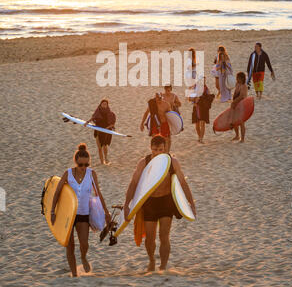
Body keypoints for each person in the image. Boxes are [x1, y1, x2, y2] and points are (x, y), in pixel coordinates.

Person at [123, 135, 196, 272]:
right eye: (155, 150)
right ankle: (151, 260)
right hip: (149, 203)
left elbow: (183, 183)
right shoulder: (143, 163)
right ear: (151, 148)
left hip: (166, 202)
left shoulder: (172, 162)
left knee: (164, 235)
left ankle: (163, 266)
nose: (158, 153)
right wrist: (127, 204)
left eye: (161, 150)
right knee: (150, 238)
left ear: (165, 148)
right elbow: (133, 183)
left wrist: (191, 203)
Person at [51, 143, 111, 277]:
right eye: (81, 165)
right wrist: (52, 211)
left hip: (83, 213)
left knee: (84, 244)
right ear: (76, 162)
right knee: (70, 246)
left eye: (86, 165)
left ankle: (83, 257)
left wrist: (106, 212)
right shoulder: (68, 174)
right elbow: (57, 192)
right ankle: (74, 274)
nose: (84, 168)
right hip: (68, 215)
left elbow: (98, 193)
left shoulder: (91, 174)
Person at [84, 99, 116, 165]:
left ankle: (106, 158)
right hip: (98, 130)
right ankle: (102, 161)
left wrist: (105, 129)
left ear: (107, 105)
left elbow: (112, 124)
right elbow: (93, 117)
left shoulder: (110, 113)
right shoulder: (97, 111)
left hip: (106, 131)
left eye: (105, 104)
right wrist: (87, 122)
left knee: (104, 146)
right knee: (99, 147)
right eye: (103, 104)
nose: (104, 105)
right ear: (100, 104)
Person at [191, 77, 215, 143]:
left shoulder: (206, 88)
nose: (203, 82)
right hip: (196, 107)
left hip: (204, 108)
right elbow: (190, 98)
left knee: (203, 123)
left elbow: (209, 98)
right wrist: (194, 100)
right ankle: (199, 137)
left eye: (204, 81)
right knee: (197, 124)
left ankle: (201, 138)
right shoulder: (195, 88)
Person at [230, 72, 248, 143]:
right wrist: (233, 102)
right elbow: (235, 93)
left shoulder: (244, 86)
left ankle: (242, 139)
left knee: (241, 122)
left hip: (242, 105)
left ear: (242, 78)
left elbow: (242, 96)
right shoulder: (237, 84)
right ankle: (237, 136)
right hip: (235, 105)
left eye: (238, 78)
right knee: (234, 121)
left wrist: (234, 102)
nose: (236, 79)